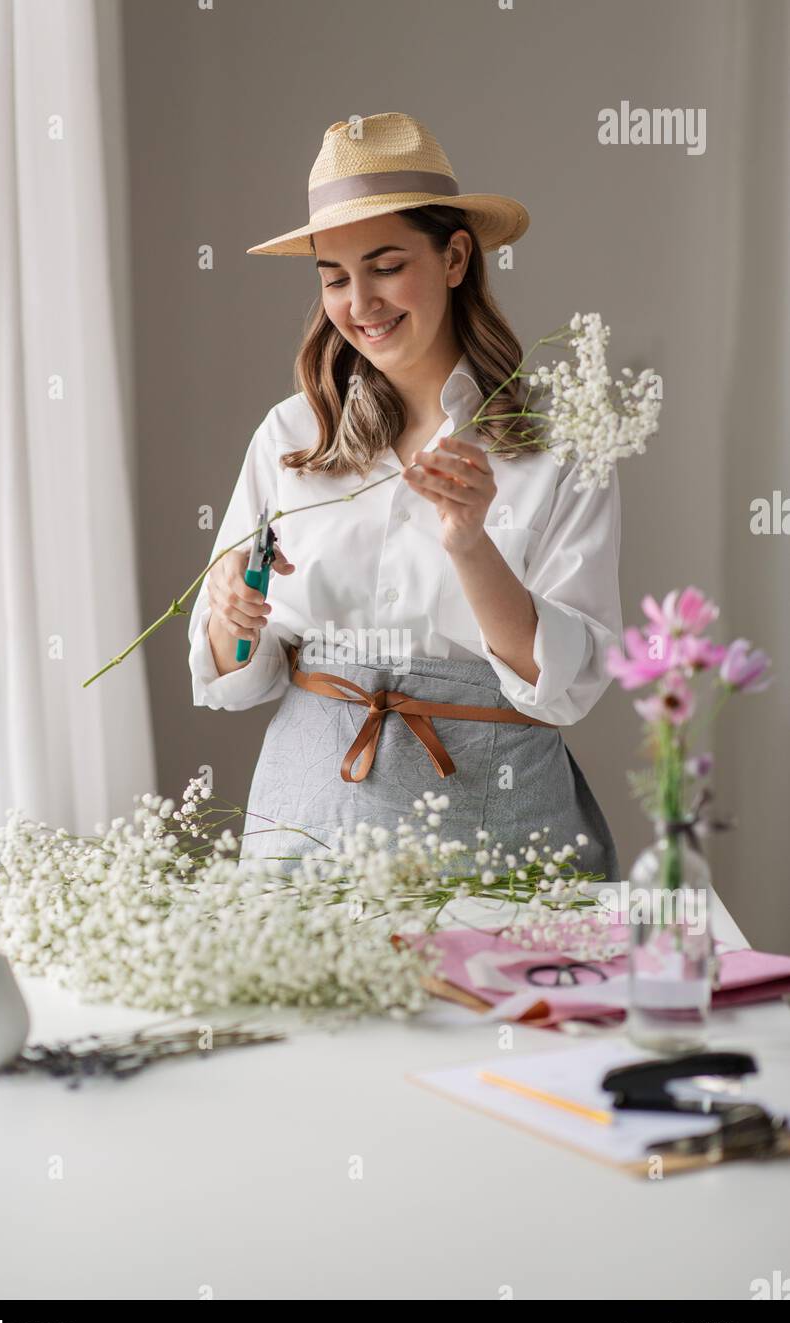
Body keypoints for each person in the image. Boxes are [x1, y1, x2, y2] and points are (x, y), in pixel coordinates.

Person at [188, 112, 621, 879]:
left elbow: (567, 688)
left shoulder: (560, 439)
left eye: (386, 266)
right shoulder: (292, 435)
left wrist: (469, 543)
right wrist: (231, 612)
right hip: (305, 824)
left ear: (455, 257)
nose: (360, 302)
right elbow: (235, 678)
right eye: (334, 278)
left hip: (498, 825)